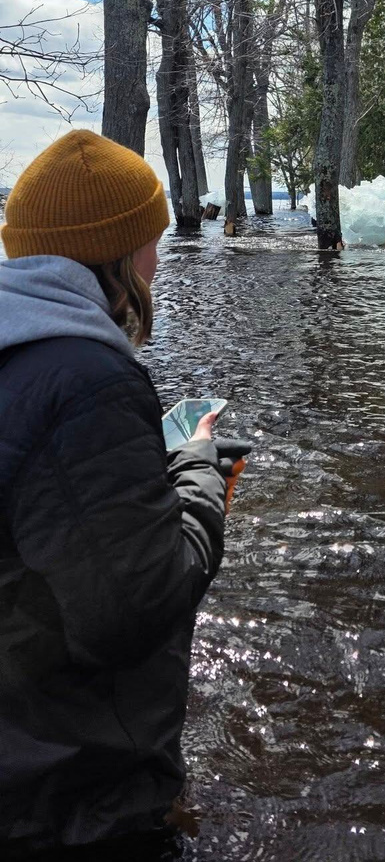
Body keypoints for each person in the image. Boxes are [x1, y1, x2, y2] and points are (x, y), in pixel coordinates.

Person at [0, 131, 231, 857]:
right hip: (74, 802)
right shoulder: (89, 382)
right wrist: (200, 472)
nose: (158, 261)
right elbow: (137, 608)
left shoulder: (19, 355)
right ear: (113, 254)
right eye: (148, 243)